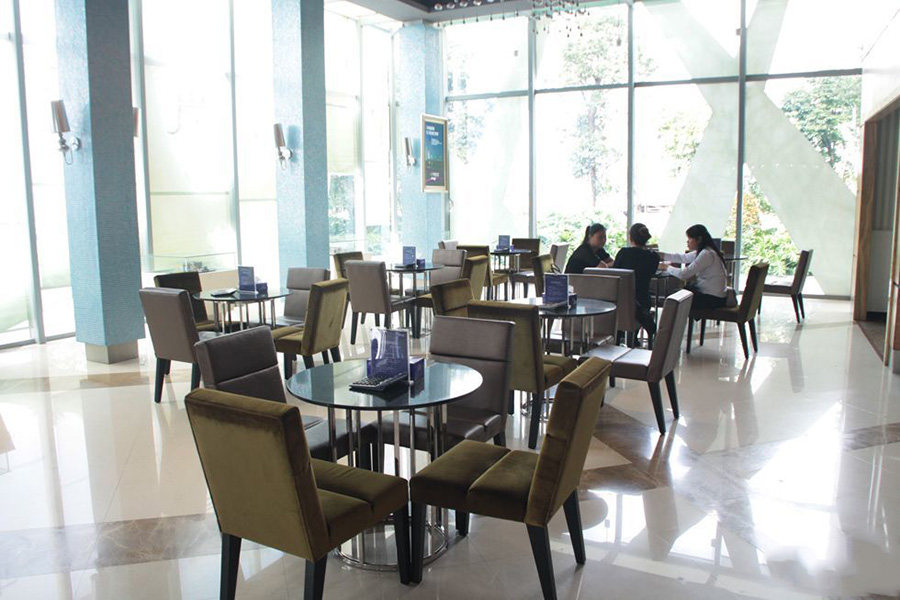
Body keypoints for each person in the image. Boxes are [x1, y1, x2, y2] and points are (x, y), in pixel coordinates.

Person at [659, 224, 728, 310]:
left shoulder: (706, 254)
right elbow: (682, 258)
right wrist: (660, 255)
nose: (687, 242)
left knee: (675, 297)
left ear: (699, 239)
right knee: (680, 294)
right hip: (714, 296)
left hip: (712, 299)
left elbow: (684, 274)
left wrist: (666, 267)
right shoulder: (707, 251)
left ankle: (673, 319)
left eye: (689, 238)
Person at [613, 223, 660, 337]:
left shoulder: (623, 253)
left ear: (630, 238)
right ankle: (635, 335)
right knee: (639, 304)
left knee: (625, 302)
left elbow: (615, 273)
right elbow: (652, 273)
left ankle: (619, 336)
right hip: (643, 299)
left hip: (622, 301)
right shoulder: (653, 257)